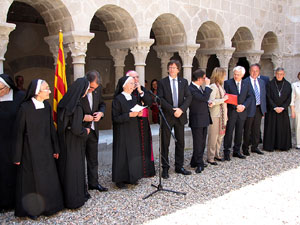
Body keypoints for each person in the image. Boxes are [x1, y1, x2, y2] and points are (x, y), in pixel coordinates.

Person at [13, 79, 63, 219]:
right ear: (37, 91)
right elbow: (19, 133)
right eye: (46, 88)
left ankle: (50, 207)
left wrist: (56, 148)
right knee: (32, 182)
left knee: (48, 179)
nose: (49, 91)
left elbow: (51, 129)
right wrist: (17, 156)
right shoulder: (25, 108)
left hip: (46, 150)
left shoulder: (47, 106)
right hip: (30, 152)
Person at [57, 78, 90, 209]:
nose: (87, 92)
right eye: (87, 89)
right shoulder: (77, 106)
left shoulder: (64, 102)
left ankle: (65, 198)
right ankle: (75, 200)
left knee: (66, 168)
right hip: (74, 142)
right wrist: (86, 131)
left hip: (65, 140)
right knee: (75, 169)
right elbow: (77, 129)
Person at [157, 60, 192, 179]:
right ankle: (165, 168)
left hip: (180, 116)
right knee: (165, 143)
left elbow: (188, 97)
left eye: (174, 67)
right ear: (167, 69)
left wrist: (181, 110)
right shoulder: (162, 82)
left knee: (180, 142)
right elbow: (160, 99)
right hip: (168, 116)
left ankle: (179, 166)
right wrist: (173, 110)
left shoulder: (183, 82)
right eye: (170, 67)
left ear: (178, 70)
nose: (172, 69)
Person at [112, 76, 143, 189]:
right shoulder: (118, 99)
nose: (133, 85)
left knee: (133, 153)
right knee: (122, 155)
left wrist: (139, 115)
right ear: (123, 85)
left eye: (133, 83)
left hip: (133, 130)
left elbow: (136, 113)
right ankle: (120, 180)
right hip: (122, 132)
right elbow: (115, 118)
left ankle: (132, 177)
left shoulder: (134, 98)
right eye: (131, 83)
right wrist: (129, 115)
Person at [0, 74, 24, 212]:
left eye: (1, 88)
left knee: (15, 171)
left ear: (8, 86)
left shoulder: (20, 97)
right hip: (1, 142)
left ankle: (17, 201)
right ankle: (3, 203)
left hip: (15, 140)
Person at [81, 70, 107, 192]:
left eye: (94, 88)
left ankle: (93, 183)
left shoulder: (97, 90)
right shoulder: (79, 91)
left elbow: (102, 104)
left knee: (93, 159)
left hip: (93, 130)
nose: (92, 90)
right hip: (81, 130)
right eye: (90, 87)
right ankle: (81, 186)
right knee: (80, 160)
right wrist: (83, 117)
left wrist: (101, 113)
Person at [127, 71, 155, 177]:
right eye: (133, 77)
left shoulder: (142, 89)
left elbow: (149, 102)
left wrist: (140, 92)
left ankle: (146, 170)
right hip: (131, 122)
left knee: (145, 144)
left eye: (137, 77)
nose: (136, 79)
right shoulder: (124, 89)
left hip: (142, 121)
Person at [223, 66, 252, 161]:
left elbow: (250, 97)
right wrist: (236, 106)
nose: (236, 76)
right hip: (232, 111)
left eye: (238, 74)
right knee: (229, 132)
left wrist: (243, 106)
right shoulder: (228, 83)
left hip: (242, 112)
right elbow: (226, 97)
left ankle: (237, 151)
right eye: (235, 74)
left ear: (242, 75)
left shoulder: (247, 83)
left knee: (239, 132)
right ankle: (226, 152)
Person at [189, 69, 212, 173]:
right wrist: (207, 86)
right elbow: (203, 98)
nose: (205, 79)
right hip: (197, 119)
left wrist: (208, 103)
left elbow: (202, 100)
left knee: (202, 141)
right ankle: (199, 163)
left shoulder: (198, 88)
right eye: (204, 77)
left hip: (203, 118)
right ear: (199, 79)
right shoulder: (191, 88)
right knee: (198, 142)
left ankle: (194, 161)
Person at [263, 68, 292, 151]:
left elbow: (289, 98)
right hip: (272, 110)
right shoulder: (269, 84)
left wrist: (283, 107)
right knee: (271, 128)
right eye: (278, 74)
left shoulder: (287, 85)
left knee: (282, 128)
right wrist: (275, 107)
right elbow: (268, 97)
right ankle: (270, 146)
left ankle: (282, 146)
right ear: (275, 74)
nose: (279, 76)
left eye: (281, 74)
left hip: (283, 111)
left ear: (284, 75)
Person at [242, 64, 267, 156]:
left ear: (259, 72)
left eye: (256, 71)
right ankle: (245, 148)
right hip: (249, 109)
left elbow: (263, 96)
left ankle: (255, 147)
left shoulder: (261, 82)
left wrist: (263, 109)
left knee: (256, 129)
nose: (254, 73)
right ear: (249, 71)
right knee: (247, 129)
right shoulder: (245, 82)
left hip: (259, 108)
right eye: (252, 70)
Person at [206, 67, 228, 164]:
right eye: (223, 75)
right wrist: (223, 99)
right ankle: (210, 157)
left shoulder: (220, 86)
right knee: (213, 136)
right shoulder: (213, 87)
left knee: (220, 136)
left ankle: (217, 154)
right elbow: (211, 102)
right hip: (215, 115)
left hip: (222, 115)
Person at [291, 72, 300, 149]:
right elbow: (292, 99)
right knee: (298, 127)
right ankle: (298, 143)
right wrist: (292, 110)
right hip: (298, 108)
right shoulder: (294, 85)